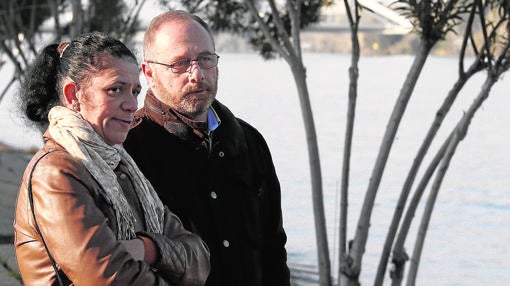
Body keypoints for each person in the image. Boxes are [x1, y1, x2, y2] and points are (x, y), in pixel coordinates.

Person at [14, 31, 210, 285]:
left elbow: (200, 259)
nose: (131, 104)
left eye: (135, 91)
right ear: (73, 95)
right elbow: (110, 279)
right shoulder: (56, 172)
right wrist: (166, 258)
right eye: (115, 90)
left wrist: (146, 248)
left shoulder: (122, 166)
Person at [123, 10, 290, 286]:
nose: (196, 74)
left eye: (205, 59)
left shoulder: (249, 141)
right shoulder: (127, 149)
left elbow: (273, 248)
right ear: (149, 73)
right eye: (180, 63)